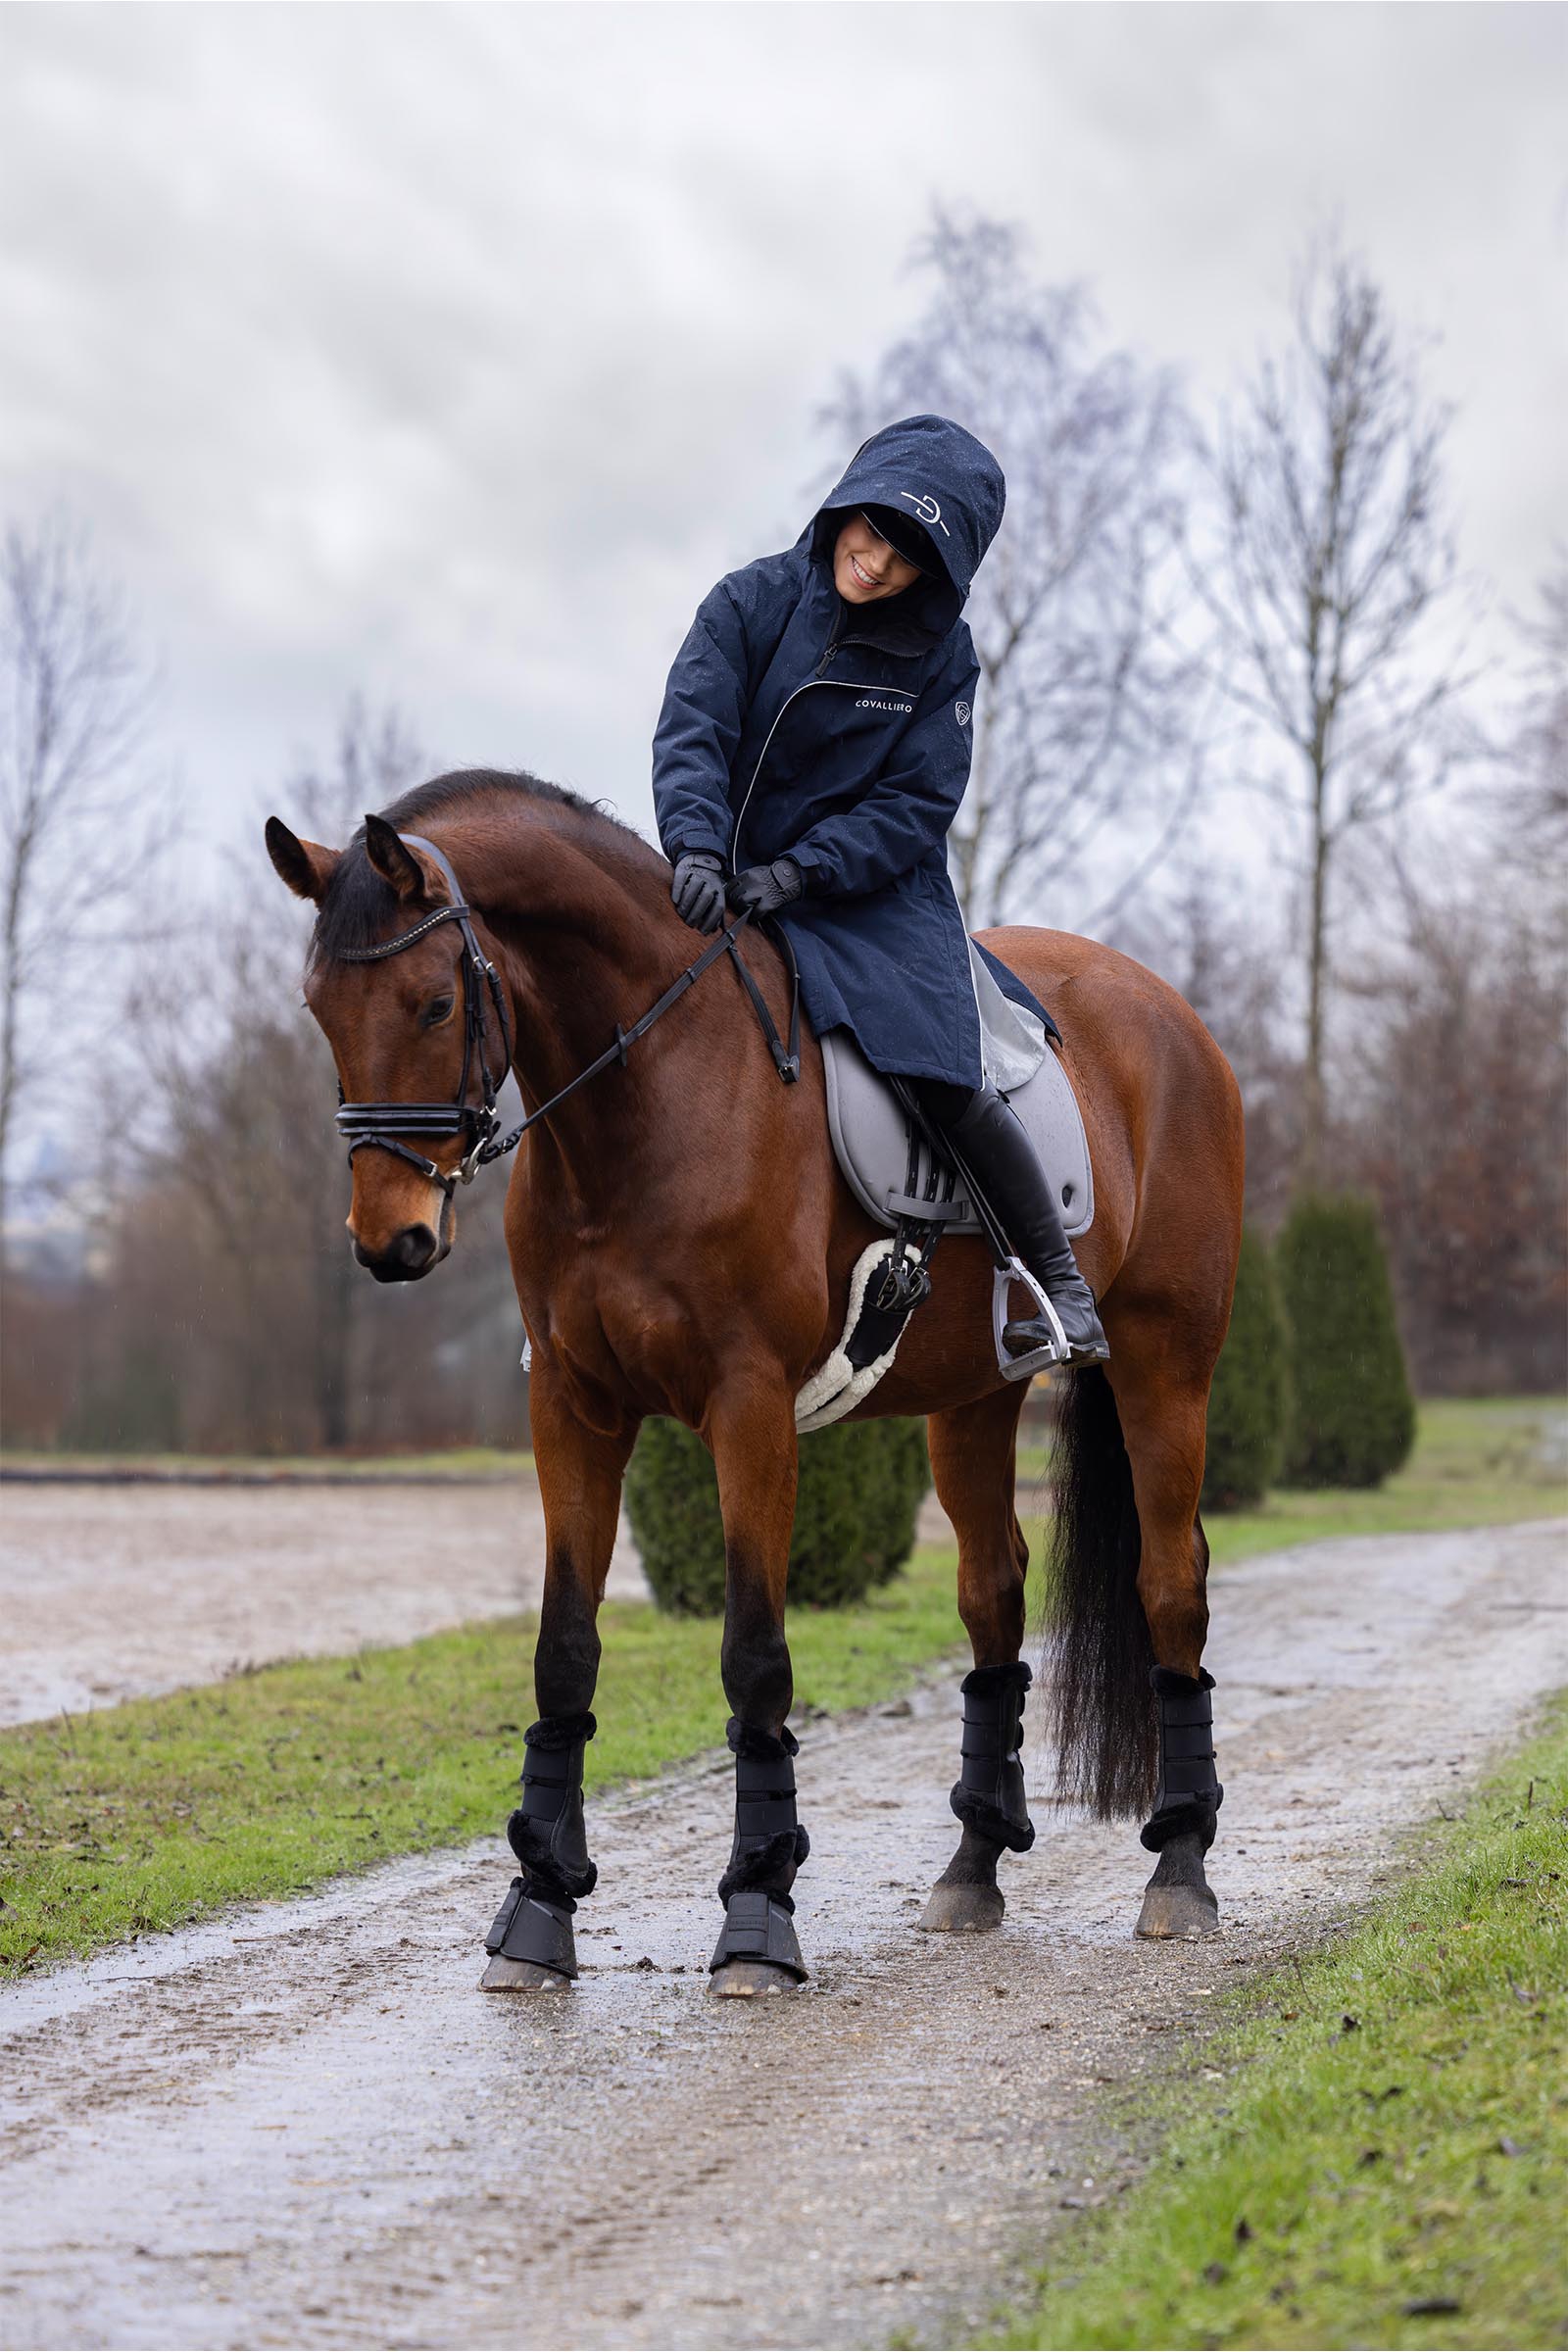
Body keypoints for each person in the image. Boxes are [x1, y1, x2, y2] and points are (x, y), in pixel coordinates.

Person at [651, 413, 1107, 1365]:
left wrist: (806, 869)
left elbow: (916, 803)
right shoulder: (747, 602)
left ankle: (1056, 1285)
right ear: (845, 508)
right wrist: (693, 851)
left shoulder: (945, 660)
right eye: (874, 528)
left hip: (869, 892)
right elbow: (694, 731)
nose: (878, 561)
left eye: (909, 555)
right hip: (729, 876)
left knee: (935, 1065)